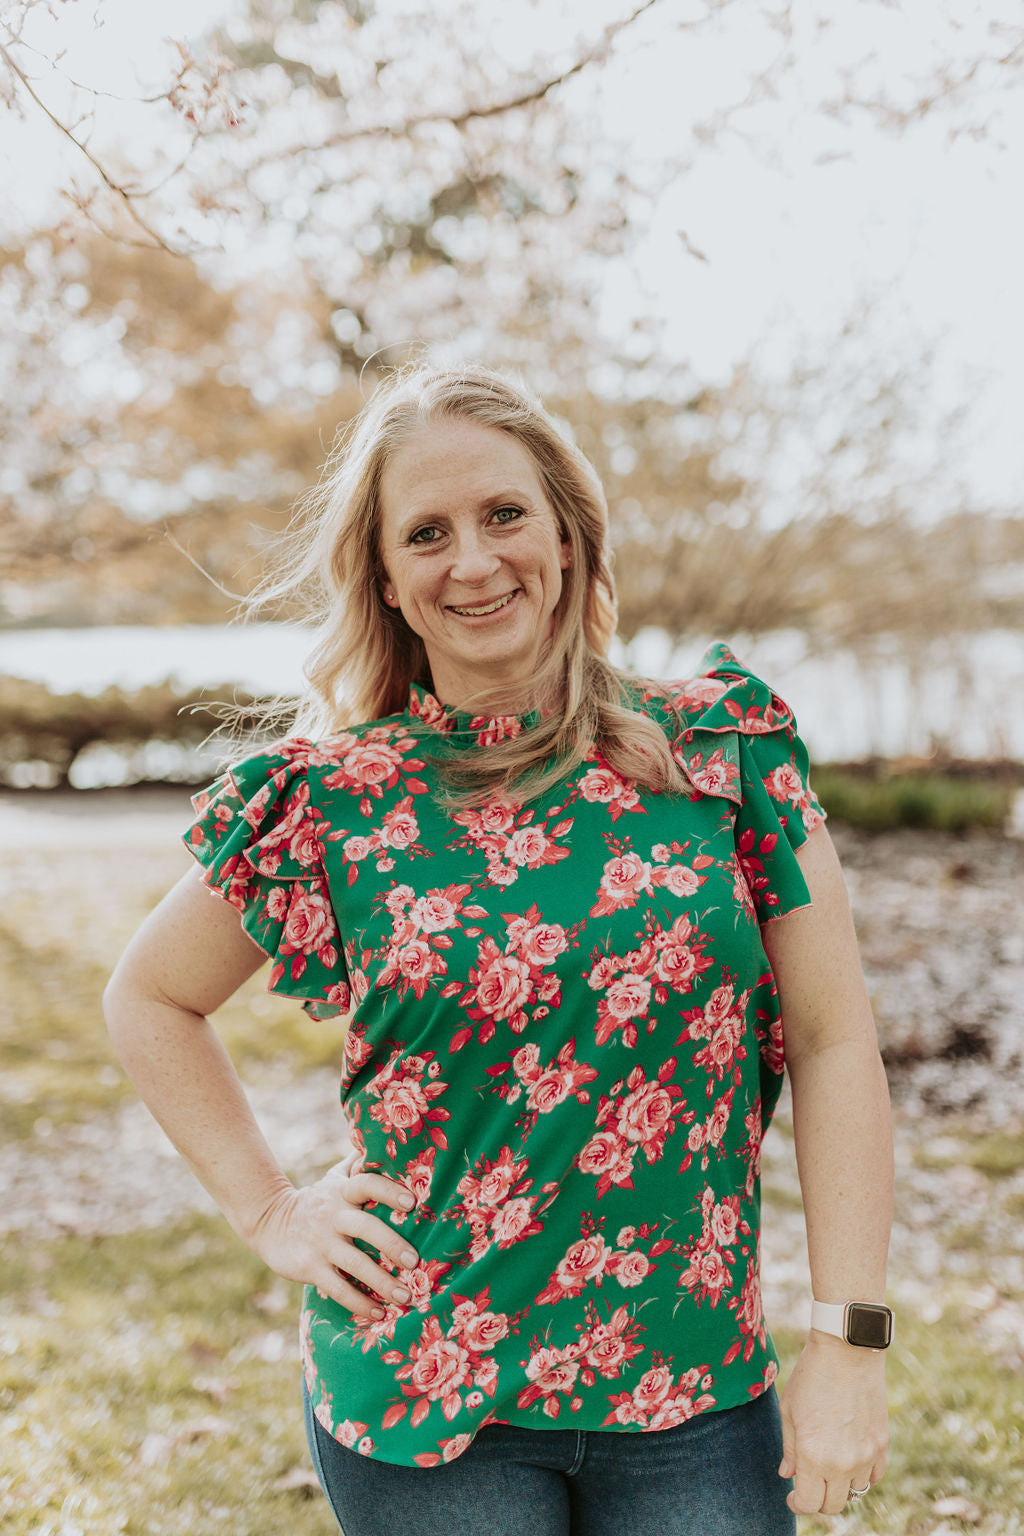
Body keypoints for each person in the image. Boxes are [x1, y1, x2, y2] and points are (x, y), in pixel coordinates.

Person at [104, 363, 894, 1535]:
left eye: (503, 514)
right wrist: (272, 1213)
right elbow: (149, 997)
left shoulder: (721, 754)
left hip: (690, 1394)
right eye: (426, 533)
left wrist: (851, 1337)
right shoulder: (331, 803)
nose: (472, 562)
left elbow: (833, 1044)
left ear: (568, 534)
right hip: (427, 1401)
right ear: (384, 576)